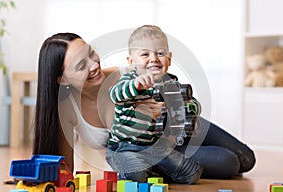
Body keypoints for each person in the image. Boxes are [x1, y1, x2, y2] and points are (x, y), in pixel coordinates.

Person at [33, 29, 255, 180]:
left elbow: (173, 87)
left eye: (91, 54)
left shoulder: (128, 76)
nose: (94, 65)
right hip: (157, 153)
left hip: (179, 127)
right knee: (230, 163)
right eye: (81, 65)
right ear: (61, 80)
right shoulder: (67, 109)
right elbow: (65, 169)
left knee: (247, 159)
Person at [106, 25, 203, 184]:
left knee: (192, 173)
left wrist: (180, 106)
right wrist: (136, 85)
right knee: (136, 175)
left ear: (169, 58)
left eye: (160, 53)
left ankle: (152, 169)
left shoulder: (171, 83)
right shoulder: (130, 80)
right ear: (131, 62)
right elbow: (114, 94)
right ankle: (134, 168)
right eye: (145, 54)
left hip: (157, 148)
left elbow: (194, 105)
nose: (154, 59)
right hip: (125, 147)